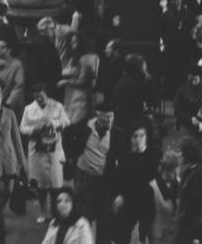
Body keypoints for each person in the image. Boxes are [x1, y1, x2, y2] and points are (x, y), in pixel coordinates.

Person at [62, 102, 124, 244]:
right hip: (84, 177)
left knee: (105, 217)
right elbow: (66, 133)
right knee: (85, 214)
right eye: (105, 117)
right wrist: (70, 155)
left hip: (104, 179)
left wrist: (118, 189)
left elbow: (120, 161)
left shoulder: (117, 134)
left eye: (111, 117)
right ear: (98, 117)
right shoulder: (84, 127)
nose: (109, 120)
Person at [20, 82, 70, 222]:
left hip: (54, 149)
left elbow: (66, 121)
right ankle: (42, 212)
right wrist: (33, 130)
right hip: (37, 150)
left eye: (41, 96)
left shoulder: (57, 106)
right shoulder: (29, 109)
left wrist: (53, 124)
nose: (38, 99)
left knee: (56, 185)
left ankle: (56, 213)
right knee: (40, 185)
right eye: (36, 97)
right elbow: (22, 128)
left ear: (46, 94)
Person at [112, 121, 159, 244]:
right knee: (121, 234)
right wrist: (119, 194)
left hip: (148, 200)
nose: (138, 139)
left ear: (147, 137)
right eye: (135, 136)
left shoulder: (154, 155)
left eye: (142, 136)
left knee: (146, 236)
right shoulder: (124, 156)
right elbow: (118, 178)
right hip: (129, 199)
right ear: (129, 137)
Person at [0, 77, 27, 243]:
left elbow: (16, 138)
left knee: (7, 193)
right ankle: (0, 232)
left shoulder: (9, 113)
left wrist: (22, 162)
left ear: (2, 94)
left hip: (9, 161)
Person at [146, 149, 180, 244]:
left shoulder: (179, 184)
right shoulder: (152, 188)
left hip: (177, 238)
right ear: (165, 169)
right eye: (173, 170)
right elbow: (146, 218)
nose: (176, 173)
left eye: (177, 169)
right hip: (159, 239)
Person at [0, 35, 25, 121]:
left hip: (10, 104)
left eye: (3, 47)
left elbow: (18, 87)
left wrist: (8, 105)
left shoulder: (16, 65)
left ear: (9, 49)